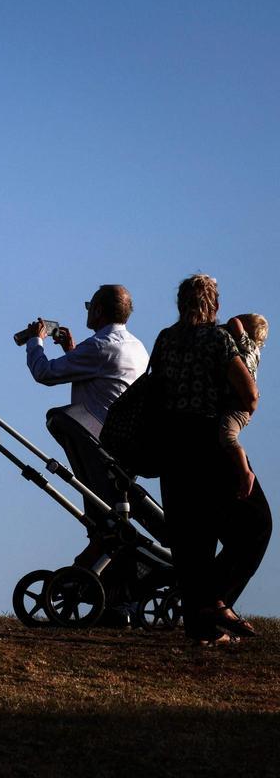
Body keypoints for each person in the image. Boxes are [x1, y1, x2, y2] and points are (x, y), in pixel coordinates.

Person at [18, 285, 153, 625]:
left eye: (89, 306)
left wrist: (37, 341)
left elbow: (45, 373)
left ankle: (114, 596)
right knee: (107, 521)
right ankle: (110, 594)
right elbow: (100, 380)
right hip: (125, 448)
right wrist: (71, 349)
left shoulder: (101, 346)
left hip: (97, 445)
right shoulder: (136, 347)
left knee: (106, 523)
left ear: (100, 311)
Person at [152, 275, 271, 644]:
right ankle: (215, 602)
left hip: (171, 446)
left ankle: (201, 630)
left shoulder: (165, 339)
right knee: (255, 525)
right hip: (209, 443)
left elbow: (156, 387)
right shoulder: (219, 339)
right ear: (215, 306)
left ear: (179, 303)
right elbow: (249, 395)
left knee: (191, 543)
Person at [220, 313, 267, 500]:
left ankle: (246, 472)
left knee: (227, 435)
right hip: (239, 405)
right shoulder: (253, 351)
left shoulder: (247, 344)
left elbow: (234, 322)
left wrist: (231, 324)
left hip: (239, 406)